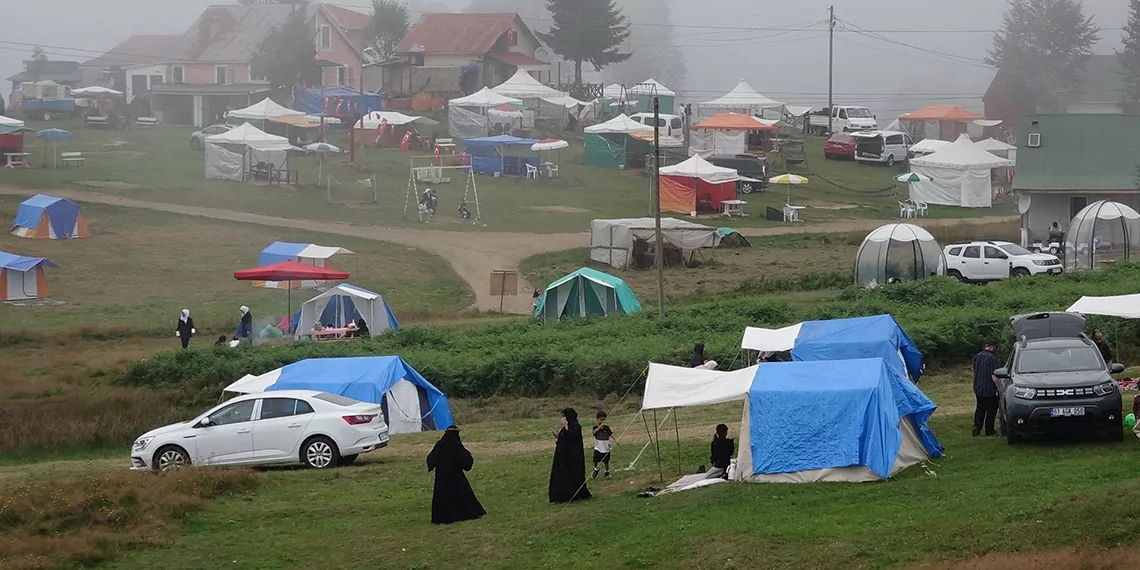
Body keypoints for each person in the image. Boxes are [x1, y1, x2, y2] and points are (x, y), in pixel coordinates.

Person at [426, 425, 486, 525]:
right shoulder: (456, 445)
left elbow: (431, 458)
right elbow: (466, 459)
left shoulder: (440, 444)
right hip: (456, 476)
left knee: (442, 497)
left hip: (441, 478)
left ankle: (442, 518)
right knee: (462, 494)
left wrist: (433, 466)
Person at [549, 408, 592, 503]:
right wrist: (558, 435)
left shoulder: (576, 426)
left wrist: (566, 427)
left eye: (564, 416)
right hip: (564, 456)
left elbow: (572, 437)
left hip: (573, 457)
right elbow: (564, 438)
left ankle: (576, 494)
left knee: (574, 475)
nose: (563, 419)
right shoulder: (566, 427)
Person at [972, 340, 1000, 437]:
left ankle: (976, 428)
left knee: (980, 409)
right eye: (996, 348)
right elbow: (994, 375)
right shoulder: (992, 358)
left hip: (978, 388)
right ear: (992, 347)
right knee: (991, 410)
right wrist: (998, 387)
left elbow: (975, 371)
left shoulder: (977, 357)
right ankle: (989, 430)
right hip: (989, 389)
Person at [591, 411, 617, 479]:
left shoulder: (606, 428)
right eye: (601, 420)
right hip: (598, 447)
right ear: (597, 419)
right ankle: (596, 469)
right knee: (595, 459)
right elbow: (594, 433)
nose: (602, 421)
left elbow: (611, 434)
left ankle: (606, 471)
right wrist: (600, 427)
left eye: (604, 419)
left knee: (606, 461)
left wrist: (616, 440)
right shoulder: (595, 427)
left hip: (606, 447)